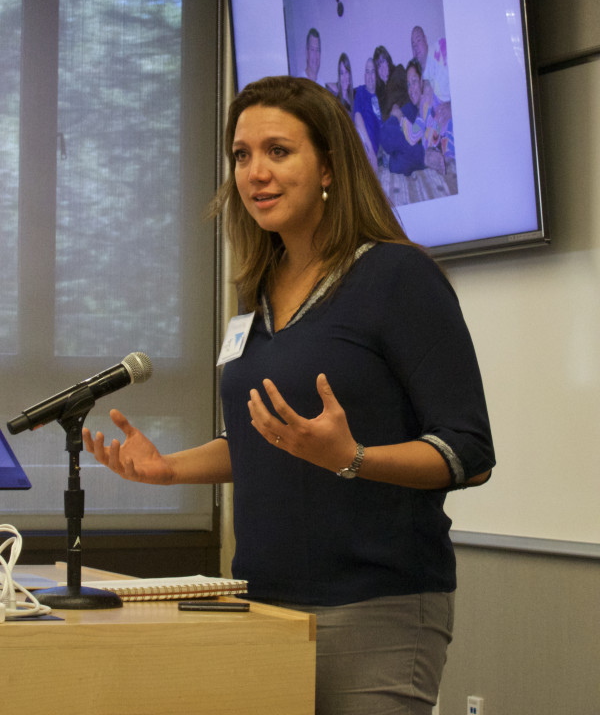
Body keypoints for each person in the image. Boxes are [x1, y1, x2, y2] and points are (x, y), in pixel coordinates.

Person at [83, 75, 495, 715]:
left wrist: (352, 457)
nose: (254, 173)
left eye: (278, 151)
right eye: (242, 156)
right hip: (263, 603)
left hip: (374, 609)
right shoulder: (257, 293)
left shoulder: (394, 275)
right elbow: (265, 439)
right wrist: (167, 470)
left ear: (329, 164)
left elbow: (471, 453)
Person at [380, 58, 454, 176]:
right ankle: (426, 158)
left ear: (421, 82)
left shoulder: (428, 99)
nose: (410, 89)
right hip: (409, 115)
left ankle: (427, 158)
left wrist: (400, 117)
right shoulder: (420, 110)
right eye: (408, 84)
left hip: (449, 142)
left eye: (414, 81)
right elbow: (413, 135)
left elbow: (413, 135)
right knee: (393, 160)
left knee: (395, 163)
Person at [410, 26, 451, 133]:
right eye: (413, 45)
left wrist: (451, 106)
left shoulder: (440, 50)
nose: (416, 47)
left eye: (418, 40)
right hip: (436, 124)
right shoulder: (418, 75)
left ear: (425, 39)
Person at [352, 57, 382, 173]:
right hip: (361, 139)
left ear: (377, 75)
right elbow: (357, 116)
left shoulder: (382, 95)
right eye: (367, 71)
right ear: (364, 75)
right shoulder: (361, 91)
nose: (370, 76)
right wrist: (368, 147)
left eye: (373, 71)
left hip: (373, 151)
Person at [373, 44, 409, 121]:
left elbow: (411, 91)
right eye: (378, 66)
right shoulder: (379, 93)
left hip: (405, 114)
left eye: (383, 61)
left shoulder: (398, 72)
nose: (382, 68)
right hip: (390, 125)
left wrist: (397, 105)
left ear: (388, 61)